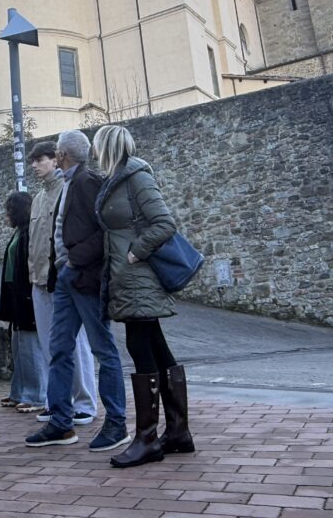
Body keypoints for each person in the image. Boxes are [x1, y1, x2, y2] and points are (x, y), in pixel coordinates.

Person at [92, 124, 196, 468]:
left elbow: (164, 223)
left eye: (97, 146)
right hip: (128, 278)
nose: (94, 153)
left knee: (140, 345)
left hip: (139, 278)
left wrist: (136, 252)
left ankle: (148, 439)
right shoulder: (116, 179)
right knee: (155, 345)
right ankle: (178, 432)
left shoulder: (136, 177)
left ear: (108, 147)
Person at [25, 130, 130, 452]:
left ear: (62, 155)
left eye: (56, 152)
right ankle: (60, 422)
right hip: (67, 279)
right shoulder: (71, 182)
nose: (54, 156)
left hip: (83, 278)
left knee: (103, 349)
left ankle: (116, 423)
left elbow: (104, 231)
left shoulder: (86, 181)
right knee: (59, 348)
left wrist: (73, 261)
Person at [26, 142, 98, 425]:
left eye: (40, 159)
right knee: (49, 345)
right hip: (39, 280)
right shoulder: (38, 198)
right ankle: (56, 400)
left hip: (63, 279)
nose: (34, 165)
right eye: (32, 161)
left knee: (75, 344)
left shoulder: (68, 191)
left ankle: (84, 402)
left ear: (56, 160)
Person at [0, 191, 45, 413]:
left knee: (30, 347)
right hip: (14, 294)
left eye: (9, 210)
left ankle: (36, 395)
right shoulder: (19, 232)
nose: (6, 215)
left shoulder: (28, 233)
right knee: (18, 345)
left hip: (24, 296)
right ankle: (19, 392)